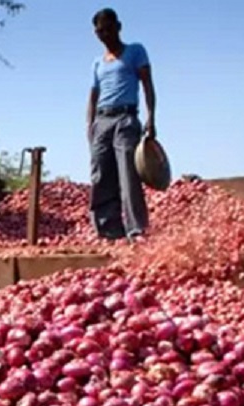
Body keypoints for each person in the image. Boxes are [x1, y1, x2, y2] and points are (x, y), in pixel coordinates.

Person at [87, 8, 156, 242]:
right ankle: (108, 230)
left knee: (128, 174)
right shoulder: (97, 63)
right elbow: (93, 97)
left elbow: (147, 85)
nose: (105, 34)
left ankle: (136, 229)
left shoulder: (135, 51)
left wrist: (151, 117)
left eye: (109, 29)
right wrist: (90, 125)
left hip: (126, 117)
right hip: (102, 119)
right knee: (100, 174)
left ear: (118, 27)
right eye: (100, 31)